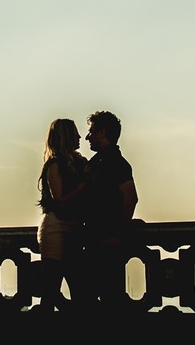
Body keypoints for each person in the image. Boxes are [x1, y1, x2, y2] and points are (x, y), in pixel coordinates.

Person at [80, 110, 138, 309]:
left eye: (91, 131)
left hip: (106, 241)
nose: (88, 136)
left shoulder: (115, 163)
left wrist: (117, 235)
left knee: (108, 299)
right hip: (95, 240)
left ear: (102, 132)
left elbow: (131, 197)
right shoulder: (98, 163)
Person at [35, 118, 88, 312]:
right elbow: (60, 199)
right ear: (66, 136)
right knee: (51, 286)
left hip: (73, 226)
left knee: (79, 287)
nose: (80, 136)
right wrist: (83, 186)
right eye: (75, 133)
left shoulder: (80, 163)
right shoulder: (54, 165)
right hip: (55, 228)